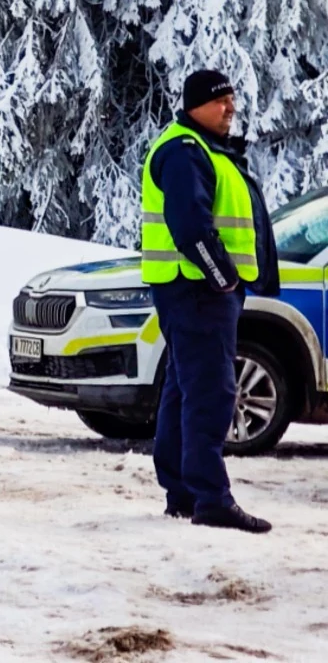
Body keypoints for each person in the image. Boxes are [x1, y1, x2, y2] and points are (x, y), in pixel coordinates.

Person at [140, 70, 277, 533]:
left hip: (195, 289)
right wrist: (222, 279)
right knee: (211, 393)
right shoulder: (185, 152)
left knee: (185, 390)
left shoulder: (202, 150)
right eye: (220, 102)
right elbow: (190, 226)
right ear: (195, 105)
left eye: (232, 100)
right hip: (198, 289)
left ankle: (183, 492)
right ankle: (210, 498)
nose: (230, 109)